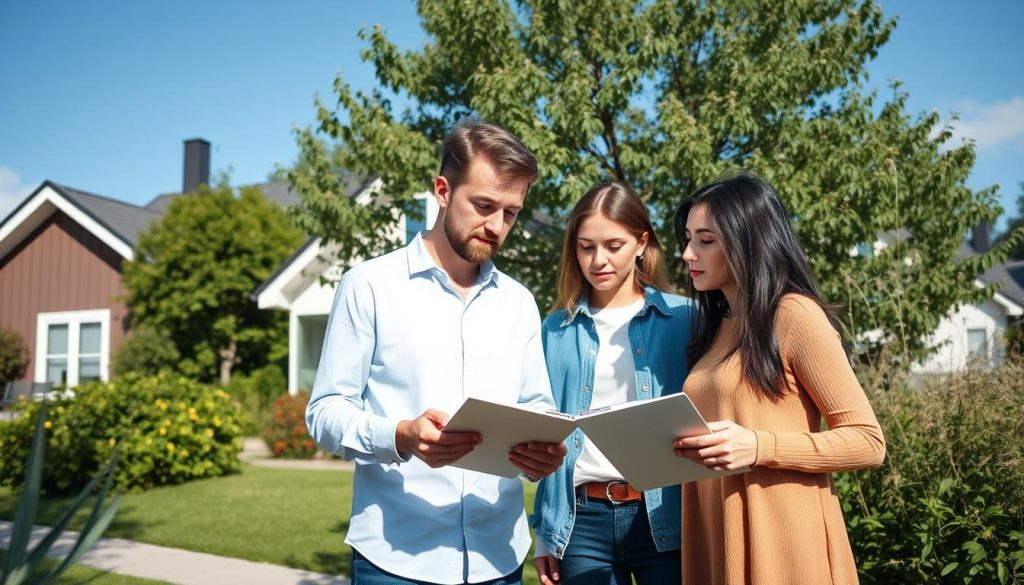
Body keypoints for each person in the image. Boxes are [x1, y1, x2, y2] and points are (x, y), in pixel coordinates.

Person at [306, 118, 568, 585]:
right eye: (484, 205)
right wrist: (401, 435)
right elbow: (325, 413)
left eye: (510, 213)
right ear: (443, 191)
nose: (496, 227)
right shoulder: (368, 286)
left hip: (500, 558)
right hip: (397, 558)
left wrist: (543, 452)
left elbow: (536, 405)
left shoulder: (519, 302)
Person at [672, 172, 886, 585]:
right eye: (687, 238)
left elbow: (867, 441)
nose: (687, 254)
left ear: (748, 242)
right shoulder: (718, 326)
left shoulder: (794, 315)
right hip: (716, 531)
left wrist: (758, 446)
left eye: (706, 240)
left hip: (783, 541)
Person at [531, 181, 695, 585]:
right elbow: (546, 429)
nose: (597, 260)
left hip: (665, 515)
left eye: (613, 245)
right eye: (586, 247)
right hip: (580, 522)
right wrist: (544, 535)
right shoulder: (554, 329)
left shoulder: (687, 319)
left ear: (642, 242)